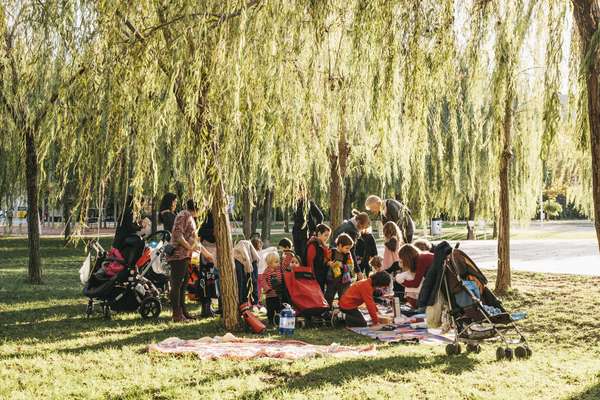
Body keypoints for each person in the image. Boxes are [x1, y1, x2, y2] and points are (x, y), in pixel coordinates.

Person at [167, 199, 214, 322]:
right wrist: (188, 247)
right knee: (177, 285)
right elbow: (178, 234)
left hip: (185, 255)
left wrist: (206, 253)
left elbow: (194, 240)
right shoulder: (184, 215)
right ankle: (177, 315)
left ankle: (183, 312)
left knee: (183, 285)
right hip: (178, 255)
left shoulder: (190, 217)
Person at [330, 210, 371, 278]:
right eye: (363, 227)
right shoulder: (352, 231)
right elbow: (351, 251)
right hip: (339, 260)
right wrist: (358, 271)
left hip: (333, 255)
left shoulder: (346, 224)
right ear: (358, 222)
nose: (363, 230)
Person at [396, 243, 434, 308]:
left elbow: (416, 283)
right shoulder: (421, 257)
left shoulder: (420, 260)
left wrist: (402, 282)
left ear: (406, 258)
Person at [113, 195, 146, 266]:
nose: (141, 207)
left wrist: (137, 224)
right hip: (123, 239)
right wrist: (141, 226)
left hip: (120, 238)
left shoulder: (127, 210)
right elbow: (130, 227)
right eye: (141, 205)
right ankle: (131, 264)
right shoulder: (130, 211)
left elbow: (129, 224)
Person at [325, 233, 355, 307]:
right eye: (347, 248)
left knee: (343, 297)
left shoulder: (348, 255)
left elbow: (351, 266)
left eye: (350, 248)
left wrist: (342, 265)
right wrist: (329, 263)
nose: (348, 250)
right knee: (329, 295)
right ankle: (327, 310)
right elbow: (325, 260)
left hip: (344, 280)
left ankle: (343, 309)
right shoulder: (332, 252)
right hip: (332, 279)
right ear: (340, 245)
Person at [292, 198, 324, 263]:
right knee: (298, 255)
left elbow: (320, 217)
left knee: (305, 255)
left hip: (306, 234)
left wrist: (315, 230)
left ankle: (306, 271)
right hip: (296, 233)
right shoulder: (295, 203)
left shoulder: (309, 203)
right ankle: (299, 270)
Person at [305, 224, 332, 292]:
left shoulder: (322, 245)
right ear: (319, 234)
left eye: (328, 236)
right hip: (314, 276)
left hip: (321, 275)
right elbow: (310, 261)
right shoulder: (313, 244)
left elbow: (323, 260)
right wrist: (312, 276)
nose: (327, 238)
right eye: (325, 235)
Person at [233, 240, 261, 305]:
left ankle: (250, 303)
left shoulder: (252, 259)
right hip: (243, 296)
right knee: (244, 283)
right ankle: (245, 303)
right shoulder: (237, 258)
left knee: (251, 283)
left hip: (247, 296)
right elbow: (241, 281)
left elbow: (253, 282)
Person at [261, 252, 283, 325]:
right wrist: (267, 288)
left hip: (278, 294)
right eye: (276, 262)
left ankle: (278, 320)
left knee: (279, 308)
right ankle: (270, 321)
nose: (278, 264)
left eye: (278, 262)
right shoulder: (266, 271)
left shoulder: (280, 270)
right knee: (270, 309)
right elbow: (263, 280)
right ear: (269, 263)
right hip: (270, 295)